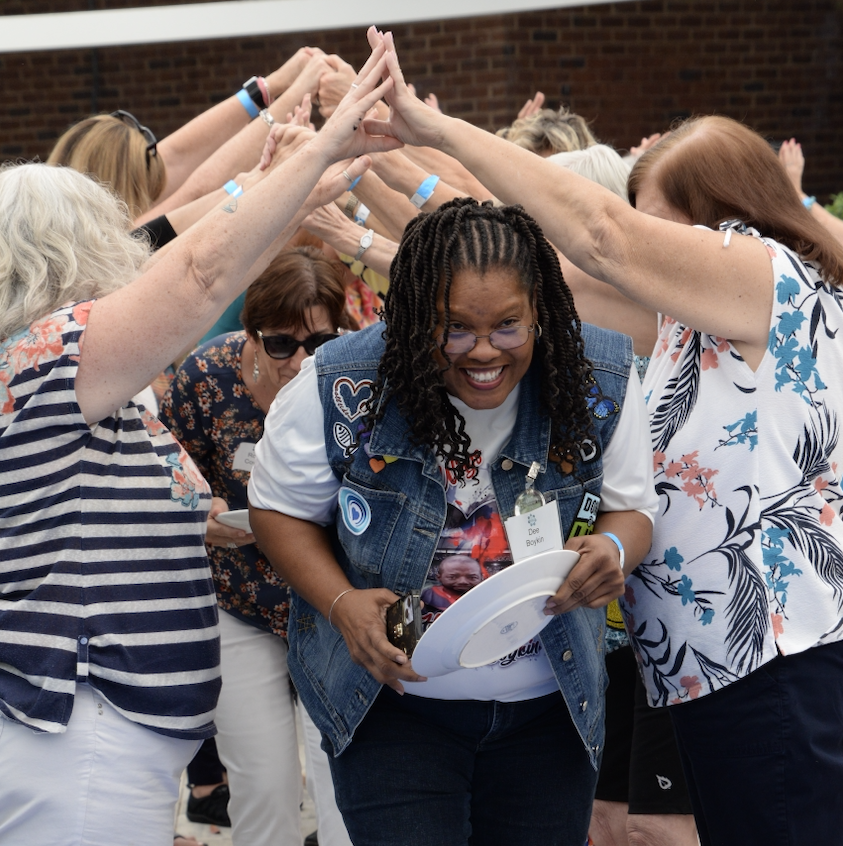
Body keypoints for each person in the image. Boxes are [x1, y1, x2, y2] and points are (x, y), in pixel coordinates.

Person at [0, 42, 399, 846]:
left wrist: (292, 179)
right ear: (73, 252)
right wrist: (320, 143)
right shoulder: (43, 358)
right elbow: (196, 277)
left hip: (94, 735)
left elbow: (180, 255)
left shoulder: (45, 365)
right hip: (72, 730)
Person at [366, 30, 843, 844]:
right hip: (711, 677)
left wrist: (435, 125)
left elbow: (600, 239)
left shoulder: (768, 281)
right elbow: (540, 265)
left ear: (720, 218)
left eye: (660, 226)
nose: (642, 247)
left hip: (777, 666)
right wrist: (365, 164)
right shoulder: (691, 324)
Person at [249, 194, 658, 846]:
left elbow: (631, 505)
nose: (483, 353)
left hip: (550, 713)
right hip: (394, 712)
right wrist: (341, 602)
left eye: (508, 326)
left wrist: (612, 546)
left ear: (540, 314)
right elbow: (277, 511)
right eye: (455, 329)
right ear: (412, 320)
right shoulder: (340, 384)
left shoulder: (599, 377)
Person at [160, 246, 355, 846]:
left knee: (346, 783)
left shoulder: (357, 375)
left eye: (319, 344)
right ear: (251, 335)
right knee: (264, 785)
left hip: (334, 601)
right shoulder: (205, 376)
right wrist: (201, 515)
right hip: (238, 601)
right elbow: (164, 473)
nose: (300, 361)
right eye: (280, 344)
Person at [547, 145, 697, 846]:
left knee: (657, 829)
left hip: (689, 619)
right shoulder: (619, 324)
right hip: (612, 611)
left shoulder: (667, 313)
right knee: (602, 822)